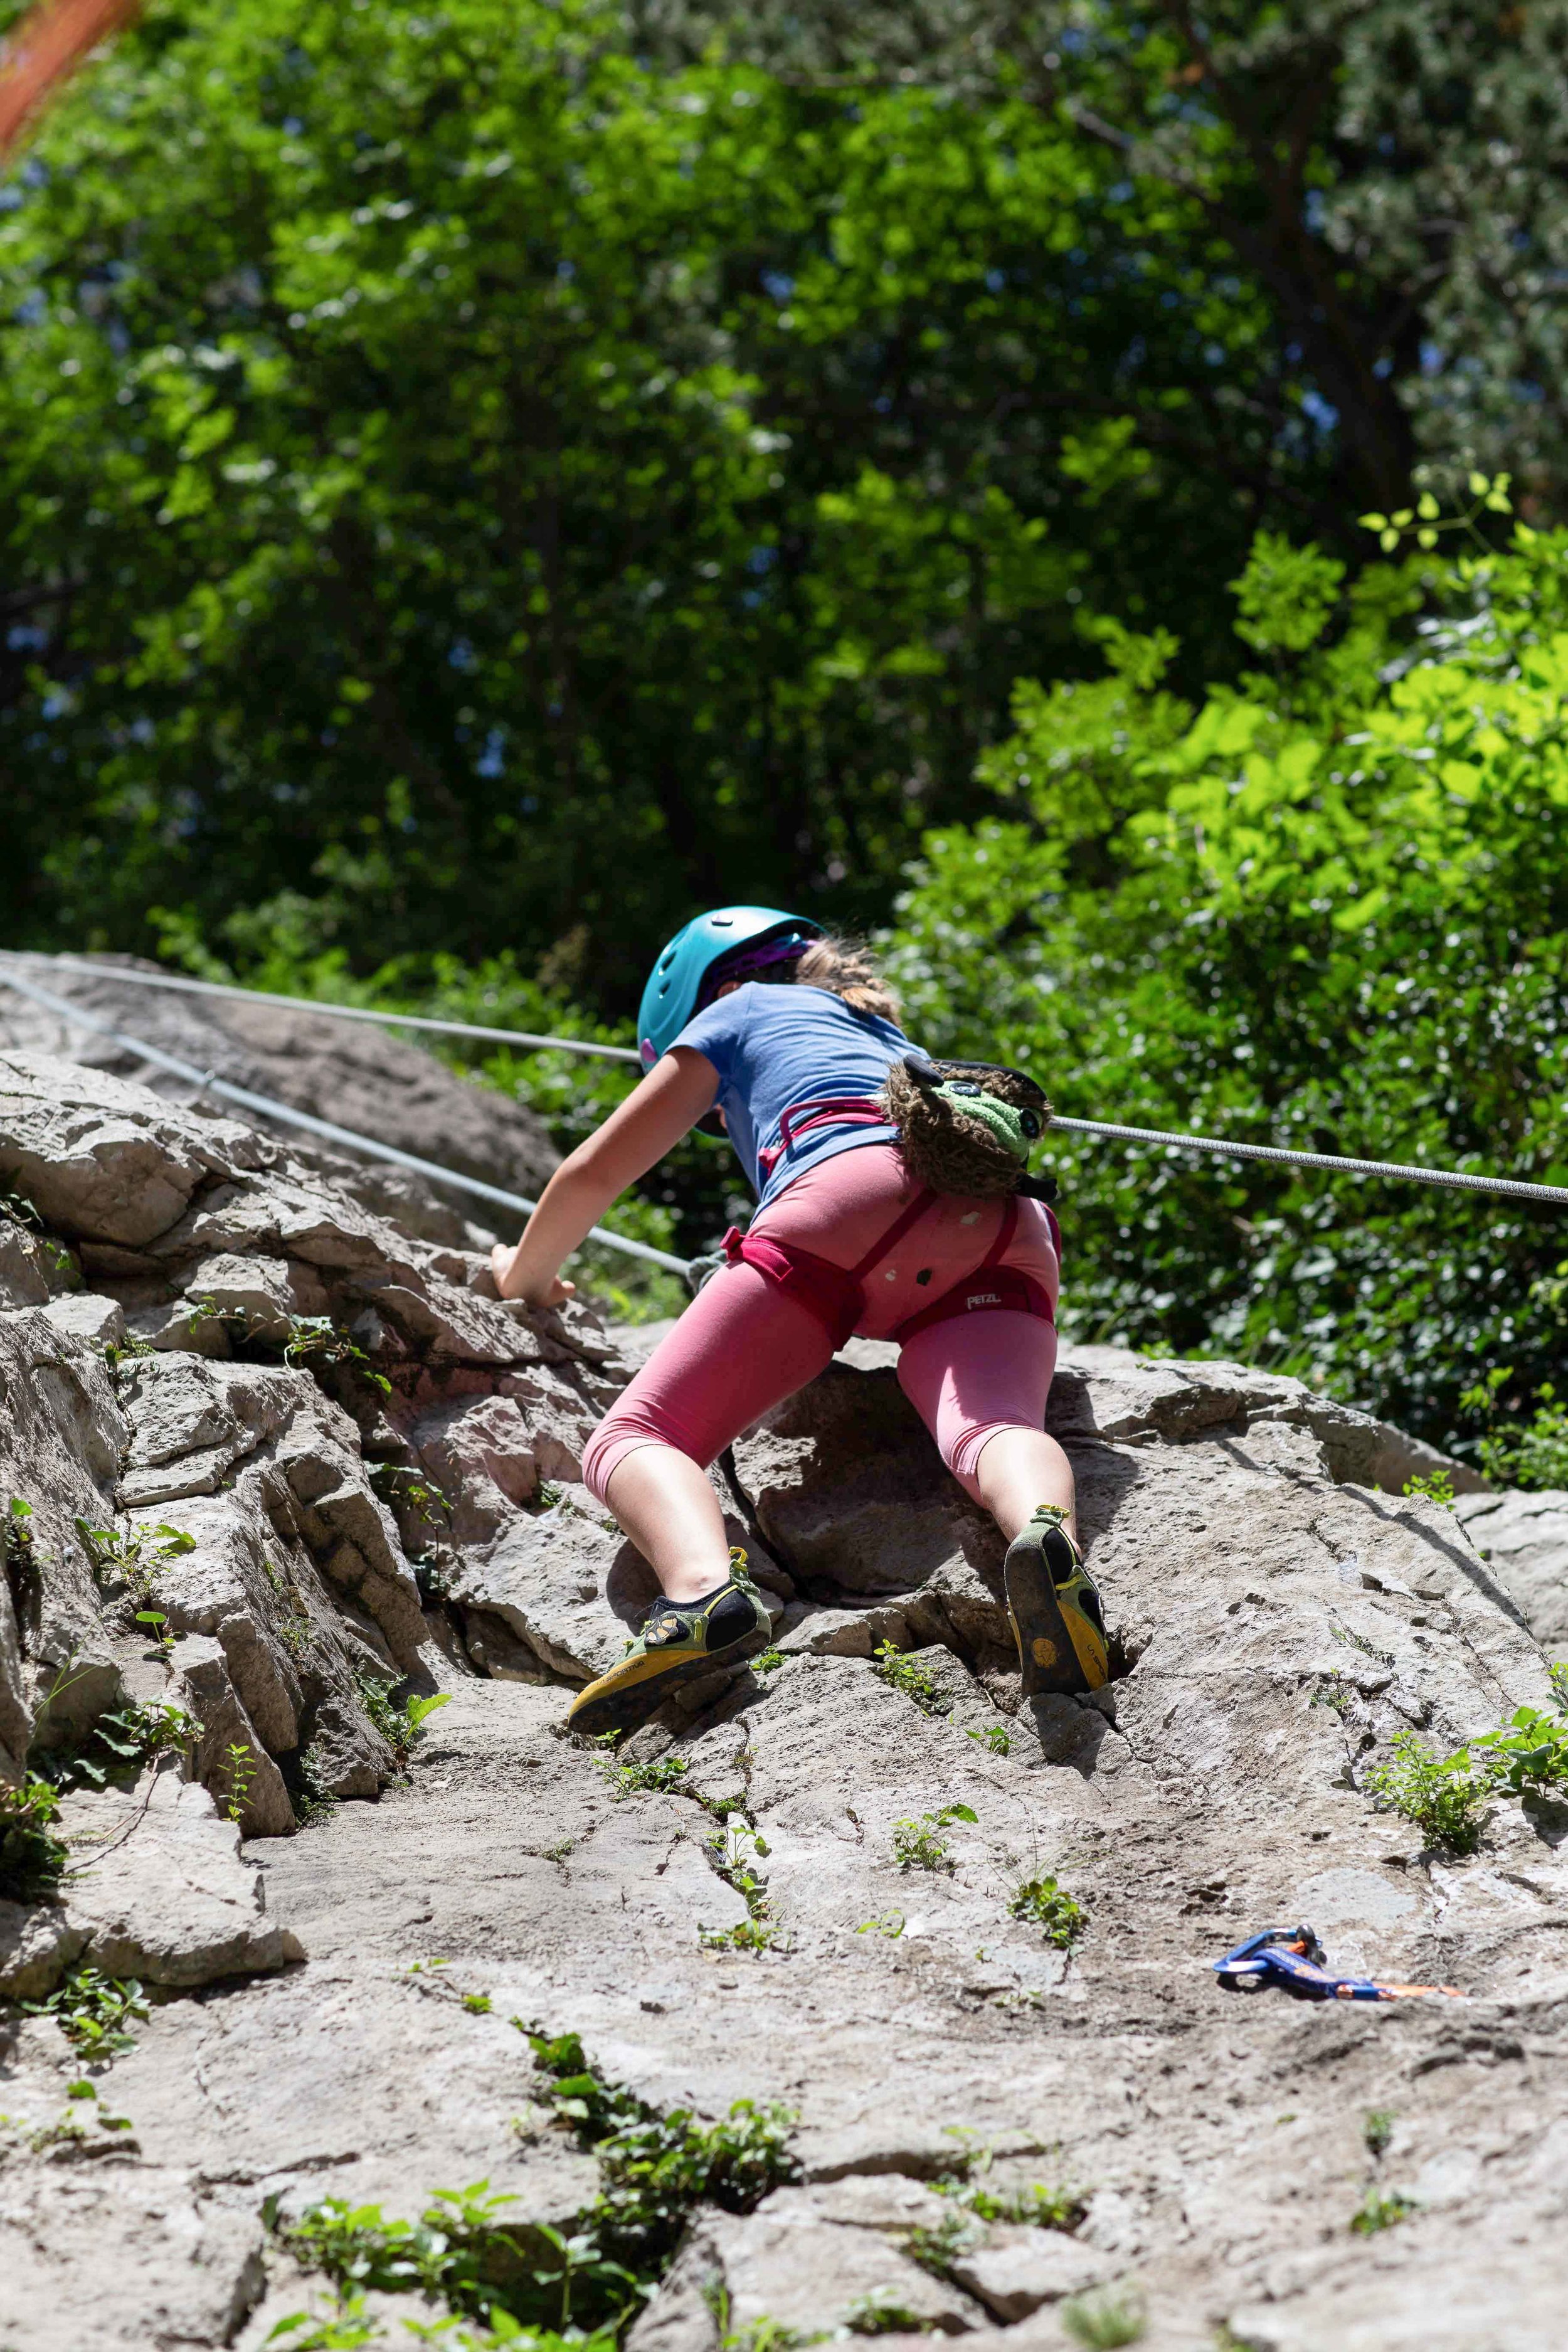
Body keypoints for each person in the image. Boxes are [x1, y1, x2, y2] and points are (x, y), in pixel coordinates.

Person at [490, 904, 1107, 1735]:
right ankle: (1045, 1535)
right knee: (989, 1427)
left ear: (708, 992)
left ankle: (704, 1592)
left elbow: (594, 1173)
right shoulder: (898, 1046)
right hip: (1003, 1224)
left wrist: (524, 1275)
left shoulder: (734, 1011)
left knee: (638, 1438)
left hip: (841, 1204)